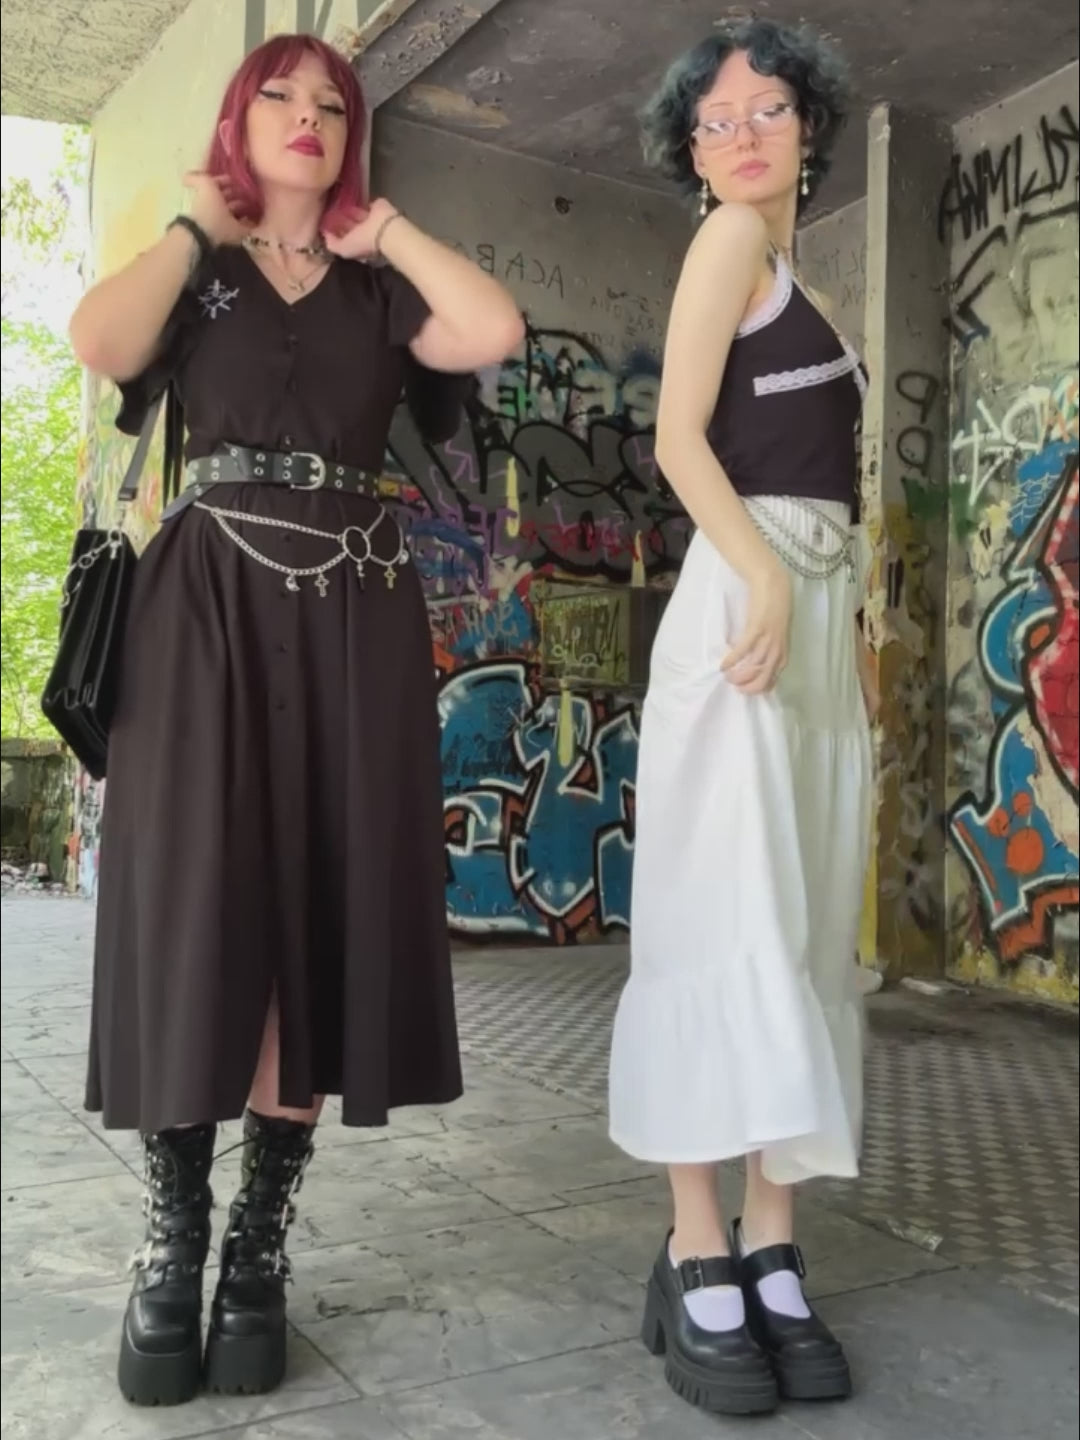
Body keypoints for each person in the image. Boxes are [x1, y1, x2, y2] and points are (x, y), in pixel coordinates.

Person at [68, 33, 524, 1408]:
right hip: (199, 616)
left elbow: (492, 331)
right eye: (279, 94)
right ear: (237, 117)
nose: (309, 115)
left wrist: (391, 231)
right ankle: (175, 1233)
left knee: (314, 911)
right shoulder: (197, 273)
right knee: (194, 907)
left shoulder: (380, 291)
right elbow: (99, 342)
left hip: (352, 616)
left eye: (333, 103)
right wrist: (191, 225)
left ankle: (257, 1245)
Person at [607, 18, 876, 1419]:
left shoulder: (800, 274)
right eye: (716, 121)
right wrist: (766, 572)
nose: (744, 133)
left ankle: (774, 1244)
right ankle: (696, 1245)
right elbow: (676, 439)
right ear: (692, 154)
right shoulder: (726, 243)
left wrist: (847, 622)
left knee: (808, 928)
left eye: (768, 108)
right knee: (725, 920)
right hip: (747, 606)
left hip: (816, 618)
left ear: (809, 126)